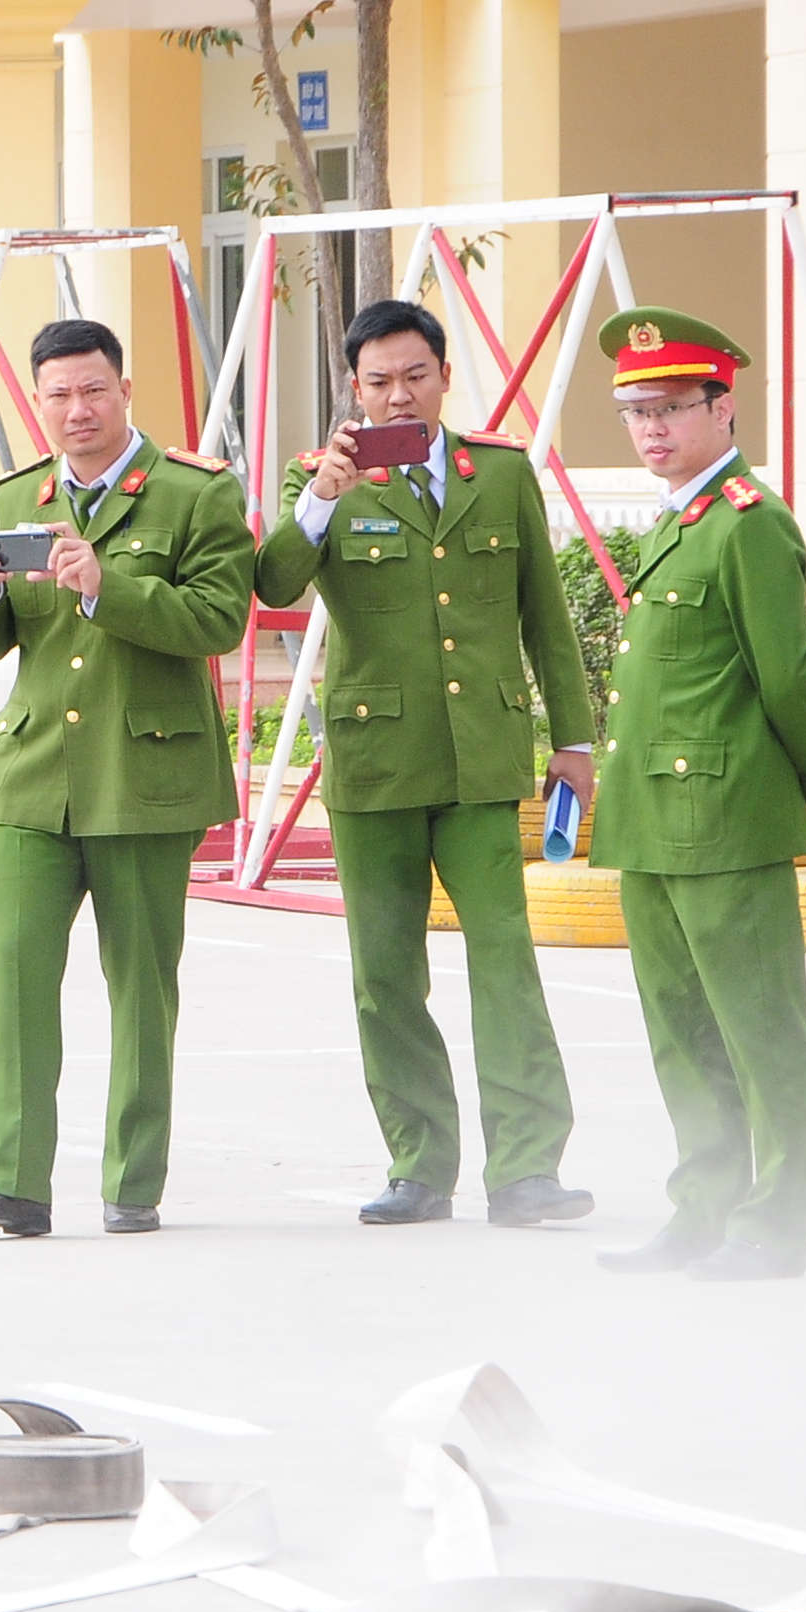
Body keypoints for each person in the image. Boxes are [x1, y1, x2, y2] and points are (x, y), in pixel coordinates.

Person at [254, 301, 600, 1230]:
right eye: (377, 381)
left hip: (483, 760)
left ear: (444, 377)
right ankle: (418, 1164)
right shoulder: (322, 479)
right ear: (354, 391)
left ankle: (528, 1167)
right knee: (384, 973)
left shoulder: (502, 472)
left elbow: (546, 617)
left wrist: (574, 739)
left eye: (413, 375)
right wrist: (321, 497)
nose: (396, 393)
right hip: (376, 761)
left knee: (504, 961)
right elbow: (273, 582)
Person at [0, 316, 252, 1236]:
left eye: (93, 391)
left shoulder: (195, 494)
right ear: (38, 403)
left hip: (145, 776)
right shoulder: (16, 494)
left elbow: (219, 619)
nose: (77, 410)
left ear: (126, 391)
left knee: (142, 990)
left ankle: (133, 1181)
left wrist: (100, 585)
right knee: (18, 978)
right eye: (58, 395)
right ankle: (13, 1183)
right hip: (35, 775)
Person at [590, 312, 806, 1279]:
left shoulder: (749, 523)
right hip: (651, 821)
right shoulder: (680, 519)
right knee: (683, 1036)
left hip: (727, 819)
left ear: (722, 407)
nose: (651, 428)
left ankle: (774, 1224)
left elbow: (787, 677)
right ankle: (702, 1208)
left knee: (759, 1031)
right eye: (635, 412)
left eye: (670, 408)